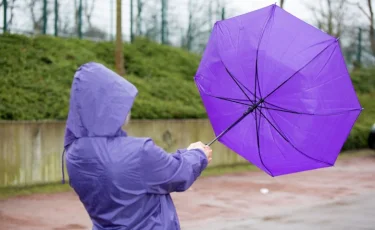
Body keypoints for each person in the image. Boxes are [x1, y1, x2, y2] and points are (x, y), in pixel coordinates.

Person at [63, 62, 212, 230]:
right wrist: (198, 154)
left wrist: (187, 153)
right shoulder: (139, 152)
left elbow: (146, 170)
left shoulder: (73, 155)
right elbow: (176, 173)